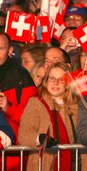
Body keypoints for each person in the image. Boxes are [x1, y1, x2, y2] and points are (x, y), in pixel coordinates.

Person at [18, 62, 80, 171]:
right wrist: (39, 139)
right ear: (46, 81)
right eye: (52, 78)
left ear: (68, 83)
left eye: (61, 79)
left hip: (73, 165)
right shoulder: (36, 103)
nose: (56, 83)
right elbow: (23, 135)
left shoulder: (77, 105)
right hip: (43, 165)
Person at [0, 32, 37, 170]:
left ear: (10, 51)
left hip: (13, 159)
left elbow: (33, 118)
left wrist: (8, 108)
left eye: (0, 49)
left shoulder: (21, 78)